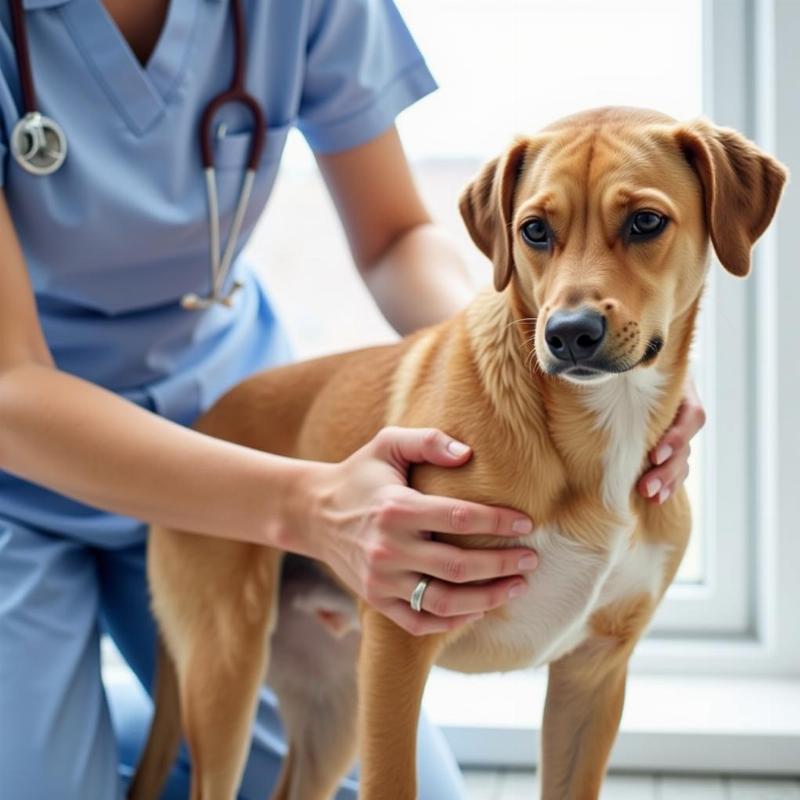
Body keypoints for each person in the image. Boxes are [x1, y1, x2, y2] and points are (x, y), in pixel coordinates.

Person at [0, 1, 705, 797]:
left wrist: (580, 371)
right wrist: (311, 508)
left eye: (641, 226)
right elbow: (5, 383)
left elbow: (394, 236)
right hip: (30, 474)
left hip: (229, 418)